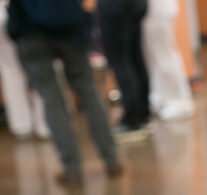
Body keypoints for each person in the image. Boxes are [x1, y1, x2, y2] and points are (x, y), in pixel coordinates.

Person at [6, 0, 121, 185]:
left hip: (31, 33)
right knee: (89, 93)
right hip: (70, 29)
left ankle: (72, 169)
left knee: (51, 98)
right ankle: (111, 159)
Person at [96, 0, 150, 141]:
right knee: (134, 56)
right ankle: (143, 114)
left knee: (119, 59)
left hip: (115, 6)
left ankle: (132, 120)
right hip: (135, 4)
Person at [0, 0, 48, 139]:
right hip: (30, 15)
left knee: (11, 72)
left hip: (11, 14)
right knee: (40, 69)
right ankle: (44, 125)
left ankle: (22, 125)